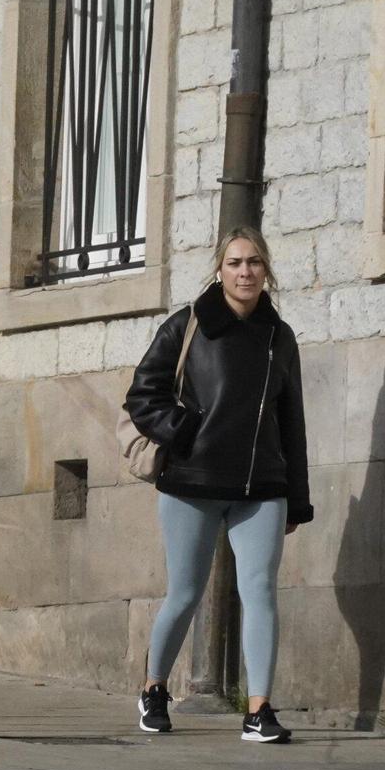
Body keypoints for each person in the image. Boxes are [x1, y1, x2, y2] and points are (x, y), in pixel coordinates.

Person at [124, 226, 312, 742]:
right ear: (219, 270)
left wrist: (297, 497)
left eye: (253, 262)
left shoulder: (280, 337)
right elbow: (143, 395)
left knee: (261, 593)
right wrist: (183, 432)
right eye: (234, 263)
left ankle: (258, 710)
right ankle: (155, 688)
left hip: (261, 486)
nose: (245, 272)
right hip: (192, 481)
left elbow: (291, 420)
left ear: (266, 270)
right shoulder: (187, 325)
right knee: (184, 593)